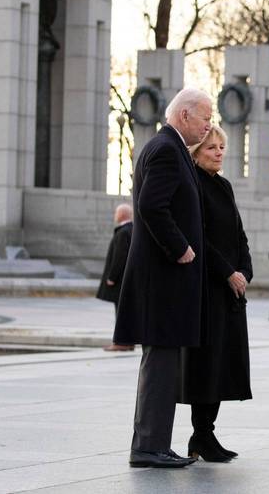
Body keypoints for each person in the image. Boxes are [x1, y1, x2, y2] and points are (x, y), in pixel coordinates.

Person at [113, 88, 212, 469]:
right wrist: (180, 248)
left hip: (166, 281)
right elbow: (152, 206)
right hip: (164, 279)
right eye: (205, 116)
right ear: (184, 115)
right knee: (160, 364)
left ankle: (154, 443)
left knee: (163, 363)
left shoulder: (167, 147)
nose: (208, 124)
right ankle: (148, 447)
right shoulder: (167, 150)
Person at [179, 125, 252, 463]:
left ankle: (204, 434)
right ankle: (202, 433)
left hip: (231, 290)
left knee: (224, 363)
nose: (220, 153)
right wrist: (227, 272)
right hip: (209, 287)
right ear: (195, 152)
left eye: (222, 147)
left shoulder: (224, 185)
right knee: (207, 364)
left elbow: (238, 235)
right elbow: (198, 237)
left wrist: (244, 272)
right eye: (212, 148)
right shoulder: (193, 184)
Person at [96, 203, 134, 352]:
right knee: (126, 312)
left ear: (122, 215)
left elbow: (119, 257)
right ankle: (128, 341)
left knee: (120, 312)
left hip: (120, 282)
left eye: (116, 213)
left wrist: (112, 277)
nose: (115, 215)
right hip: (128, 280)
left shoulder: (123, 232)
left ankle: (121, 342)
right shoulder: (132, 230)